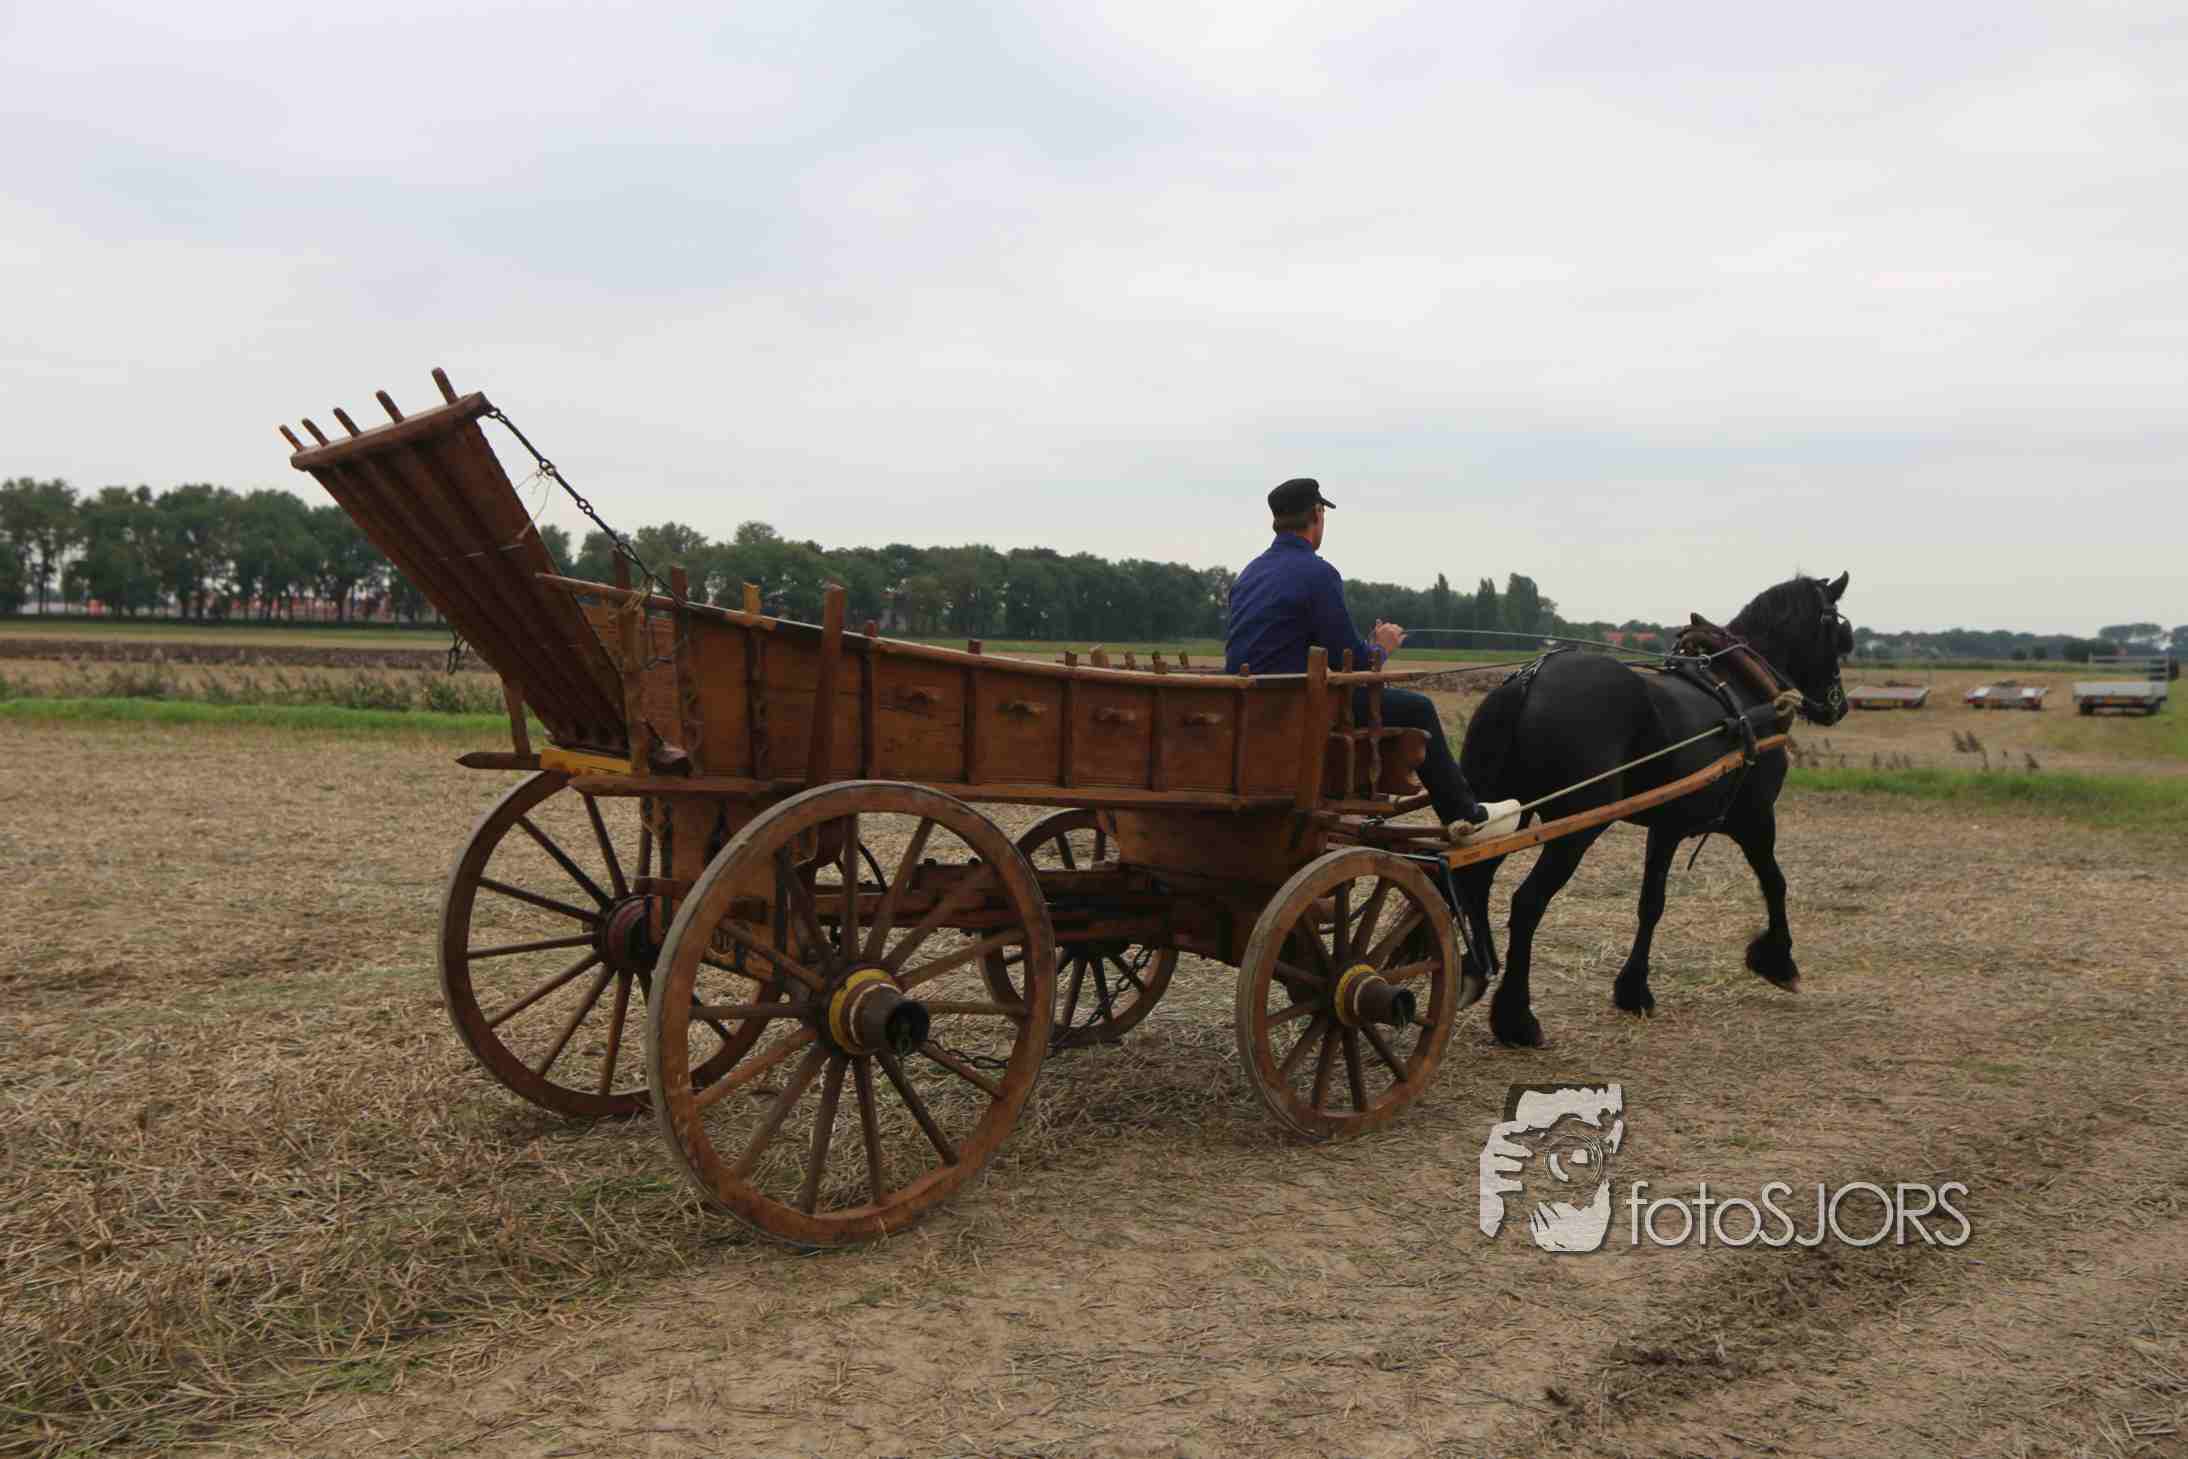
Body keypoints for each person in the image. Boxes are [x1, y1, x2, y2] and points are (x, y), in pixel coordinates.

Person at [1224, 478, 1520, 843]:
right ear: (1317, 514)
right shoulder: (1318, 573)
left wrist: (1364, 648)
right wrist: (1382, 647)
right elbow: (1350, 660)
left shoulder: (1249, 574)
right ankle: (1465, 816)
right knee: (1419, 708)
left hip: (1254, 707)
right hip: (1301, 708)